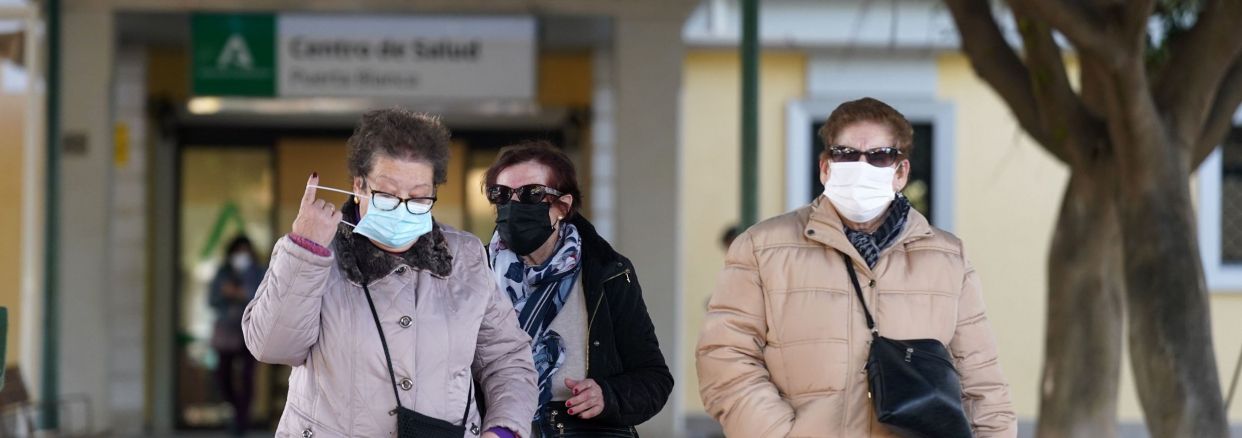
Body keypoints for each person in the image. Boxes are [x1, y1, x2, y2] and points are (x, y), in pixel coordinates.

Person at [696, 97, 1017, 437]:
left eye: (879, 156)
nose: (862, 166)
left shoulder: (948, 258)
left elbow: (982, 382)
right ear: (825, 168)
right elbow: (725, 357)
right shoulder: (762, 248)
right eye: (846, 154)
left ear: (900, 172)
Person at [243, 108, 537, 438]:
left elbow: (507, 360)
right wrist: (305, 252)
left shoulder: (464, 256)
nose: (402, 207)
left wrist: (504, 431)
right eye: (386, 194)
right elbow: (272, 347)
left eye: (418, 197)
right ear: (359, 185)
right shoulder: (316, 250)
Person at [483, 141, 672, 437]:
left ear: (562, 206)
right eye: (501, 194)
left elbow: (654, 379)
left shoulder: (607, 272)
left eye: (531, 194)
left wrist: (607, 395)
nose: (513, 205)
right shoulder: (473, 271)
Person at [209, 235, 264, 436]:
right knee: (222, 376)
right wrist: (226, 293)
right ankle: (235, 410)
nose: (241, 255)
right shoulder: (223, 272)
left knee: (247, 376)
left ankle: (242, 421)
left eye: (245, 251)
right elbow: (211, 299)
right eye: (238, 251)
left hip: (251, 330)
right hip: (227, 331)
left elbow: (265, 296)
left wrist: (241, 293)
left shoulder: (258, 271)